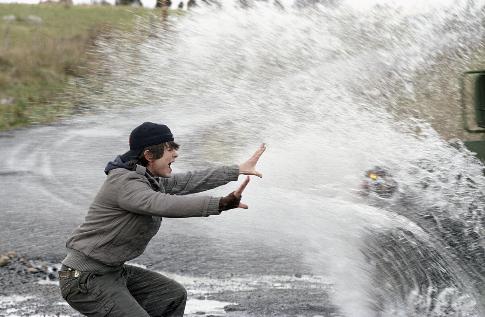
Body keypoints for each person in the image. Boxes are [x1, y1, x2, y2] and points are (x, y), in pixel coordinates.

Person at [58, 122, 266, 316]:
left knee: (171, 297)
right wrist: (220, 204)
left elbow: (188, 181)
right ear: (149, 154)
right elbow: (162, 204)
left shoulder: (147, 179)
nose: (175, 154)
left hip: (112, 273)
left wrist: (236, 170)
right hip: (83, 278)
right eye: (169, 149)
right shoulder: (125, 183)